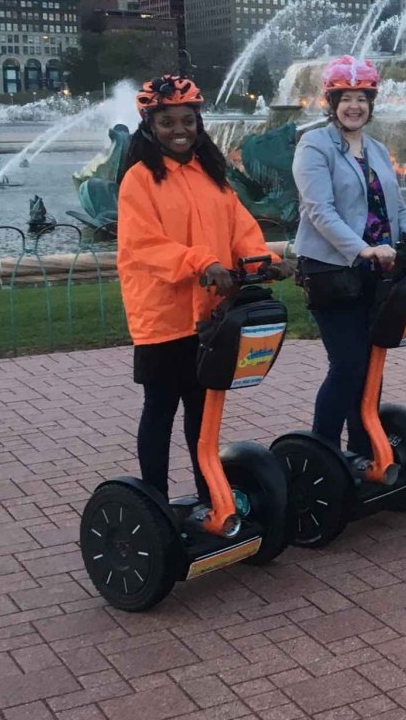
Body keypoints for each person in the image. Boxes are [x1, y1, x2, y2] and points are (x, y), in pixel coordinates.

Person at [117, 74, 290, 500]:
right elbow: (144, 245)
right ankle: (154, 501)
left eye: (187, 121)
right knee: (160, 409)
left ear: (199, 124)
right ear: (149, 127)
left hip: (210, 316)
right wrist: (202, 262)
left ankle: (208, 493)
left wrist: (268, 261)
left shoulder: (213, 176)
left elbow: (241, 231)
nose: (179, 130)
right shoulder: (139, 180)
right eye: (167, 122)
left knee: (202, 411)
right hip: (163, 317)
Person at [292, 56, 406, 462]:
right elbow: (319, 209)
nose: (354, 106)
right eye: (345, 99)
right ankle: (321, 454)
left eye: (362, 98)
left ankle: (360, 452)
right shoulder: (314, 144)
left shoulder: (376, 149)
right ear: (331, 102)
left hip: (377, 273)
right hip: (332, 272)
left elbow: (396, 207)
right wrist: (361, 248)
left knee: (372, 364)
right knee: (348, 364)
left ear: (371, 103)